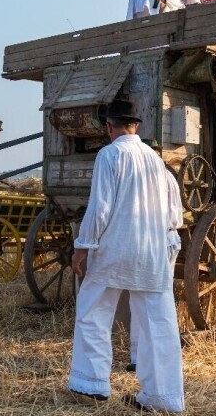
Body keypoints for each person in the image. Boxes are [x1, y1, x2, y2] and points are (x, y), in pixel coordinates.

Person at [68, 100, 185, 412]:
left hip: (114, 251)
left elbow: (99, 209)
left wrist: (81, 247)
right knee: (157, 324)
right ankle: (162, 397)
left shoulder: (109, 155)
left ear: (109, 127)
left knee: (93, 312)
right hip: (151, 253)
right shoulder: (156, 161)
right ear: (137, 126)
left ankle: (92, 385)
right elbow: (174, 214)